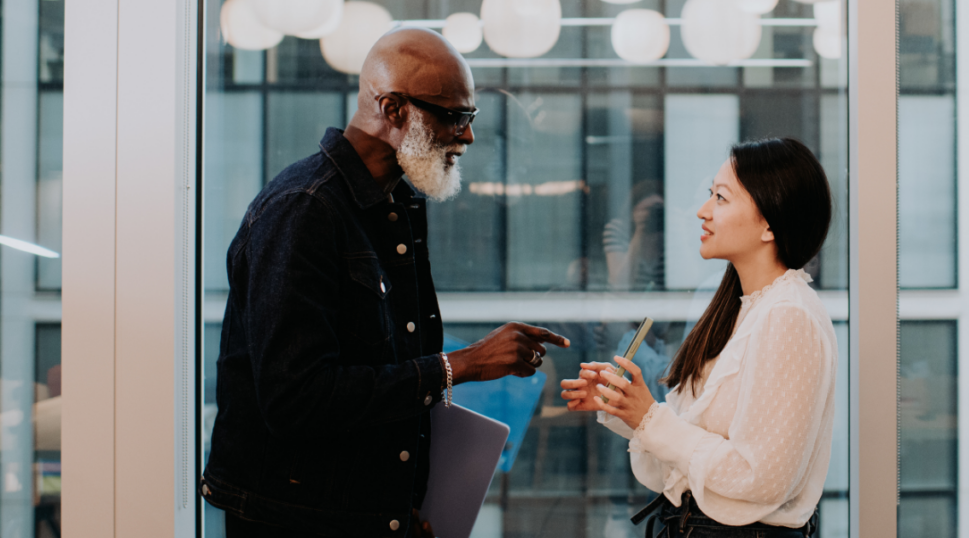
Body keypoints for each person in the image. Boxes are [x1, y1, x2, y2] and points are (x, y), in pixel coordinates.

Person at [201, 28, 570, 538]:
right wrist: (458, 366)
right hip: (298, 521)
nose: (467, 136)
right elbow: (296, 399)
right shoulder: (303, 209)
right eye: (454, 116)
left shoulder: (396, 202)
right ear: (393, 109)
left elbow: (382, 378)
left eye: (471, 118)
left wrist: (398, 508)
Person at [561, 138, 836, 538]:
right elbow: (689, 447)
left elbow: (761, 478)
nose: (702, 211)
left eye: (721, 198)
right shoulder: (738, 308)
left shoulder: (788, 315)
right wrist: (626, 408)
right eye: (710, 195)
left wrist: (648, 418)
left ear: (769, 224)